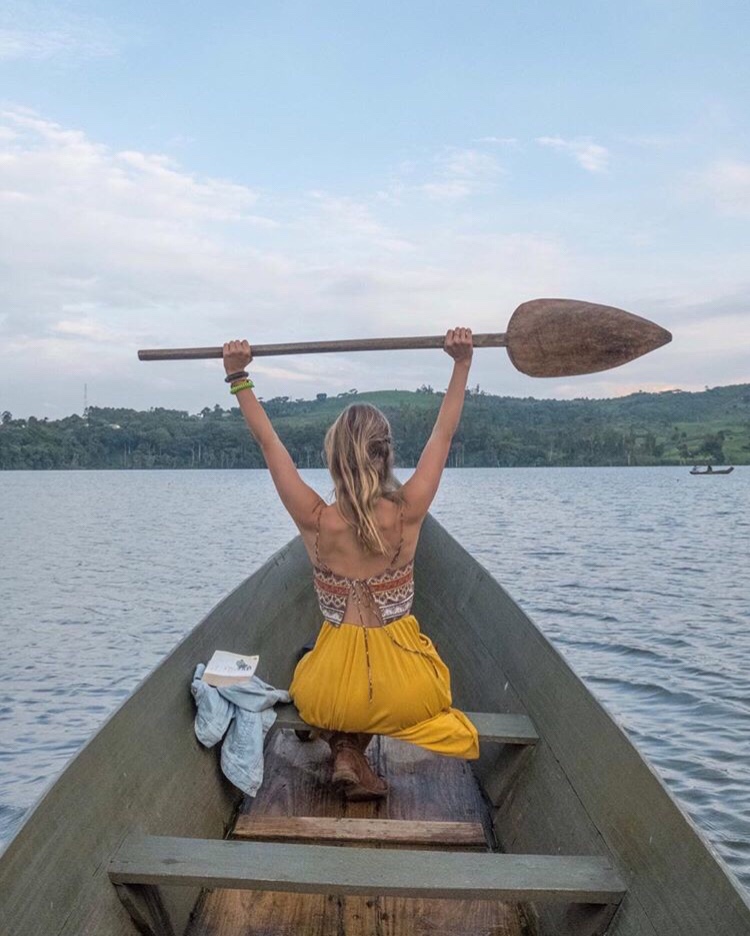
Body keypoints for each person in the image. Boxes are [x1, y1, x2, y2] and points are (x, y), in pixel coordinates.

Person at [222, 328, 479, 800]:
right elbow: (444, 434)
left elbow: (269, 444)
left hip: (328, 692)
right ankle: (350, 750)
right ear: (384, 457)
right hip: (406, 691)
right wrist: (461, 363)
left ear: (335, 460)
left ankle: (343, 745)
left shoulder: (315, 520)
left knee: (309, 663)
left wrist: (238, 376)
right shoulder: (408, 511)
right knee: (429, 677)